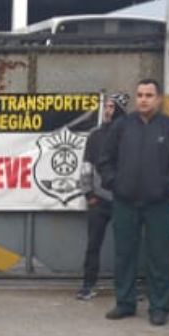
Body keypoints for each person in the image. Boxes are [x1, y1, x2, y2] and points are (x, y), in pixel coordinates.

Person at [97, 79, 169, 329]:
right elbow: (105, 160)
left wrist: (166, 185)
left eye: (149, 95)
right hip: (125, 203)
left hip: (159, 204)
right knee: (124, 254)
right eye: (140, 95)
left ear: (159, 99)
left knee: (158, 258)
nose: (144, 99)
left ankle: (159, 307)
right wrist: (115, 183)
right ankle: (125, 303)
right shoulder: (122, 127)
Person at [76, 93, 128, 301]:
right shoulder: (95, 135)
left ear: (121, 110)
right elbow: (86, 166)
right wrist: (89, 194)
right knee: (93, 245)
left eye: (112, 107)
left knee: (126, 246)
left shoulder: (129, 135)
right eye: (106, 107)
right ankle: (87, 286)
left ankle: (125, 289)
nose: (107, 111)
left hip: (124, 200)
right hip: (99, 199)